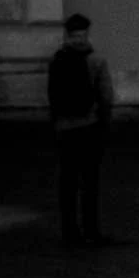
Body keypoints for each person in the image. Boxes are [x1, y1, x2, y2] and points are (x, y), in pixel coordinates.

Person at [48, 13, 115, 246]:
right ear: (87, 34)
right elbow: (106, 96)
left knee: (67, 183)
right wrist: (105, 124)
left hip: (65, 128)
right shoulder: (96, 60)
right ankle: (91, 231)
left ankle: (69, 231)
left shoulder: (57, 59)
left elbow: (52, 96)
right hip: (89, 127)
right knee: (90, 183)